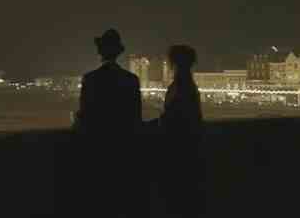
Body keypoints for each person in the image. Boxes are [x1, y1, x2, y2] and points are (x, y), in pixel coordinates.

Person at [65, 28, 145, 217]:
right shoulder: (131, 80)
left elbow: (85, 115)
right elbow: (135, 117)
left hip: (98, 150)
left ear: (100, 52)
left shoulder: (91, 79)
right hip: (125, 152)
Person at [156, 44, 204, 217]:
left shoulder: (180, 87)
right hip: (189, 152)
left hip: (177, 153)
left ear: (175, 63)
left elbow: (173, 118)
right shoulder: (189, 86)